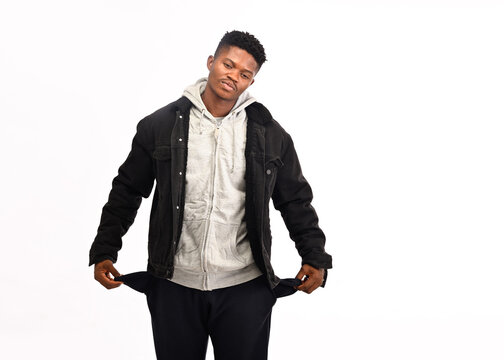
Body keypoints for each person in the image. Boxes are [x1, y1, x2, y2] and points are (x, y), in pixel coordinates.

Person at [89, 30, 332, 360]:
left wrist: (314, 256)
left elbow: (295, 200)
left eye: (245, 74)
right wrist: (105, 248)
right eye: (228, 65)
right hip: (174, 284)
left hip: (245, 286)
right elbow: (127, 191)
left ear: (251, 82)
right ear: (211, 62)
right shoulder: (159, 125)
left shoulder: (270, 134)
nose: (234, 76)